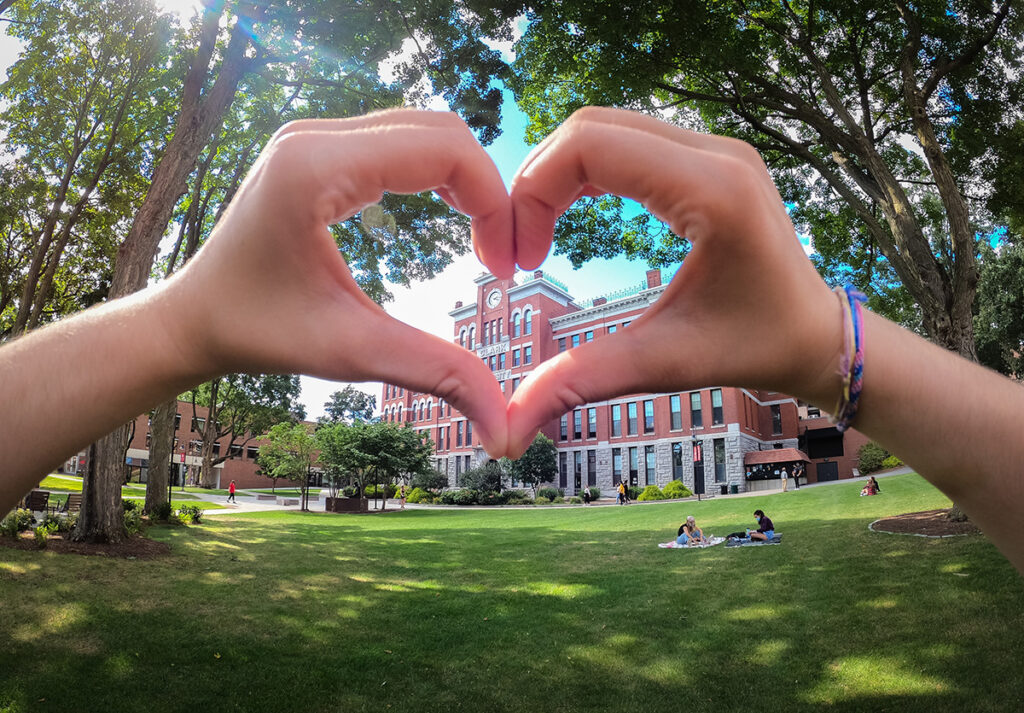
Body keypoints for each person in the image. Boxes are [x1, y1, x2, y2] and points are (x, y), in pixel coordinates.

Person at [1, 107, 1022, 573]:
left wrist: (177, 327)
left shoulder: (582, 317)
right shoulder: (469, 338)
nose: (499, 333)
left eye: (511, 319)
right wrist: (833, 346)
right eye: (492, 325)